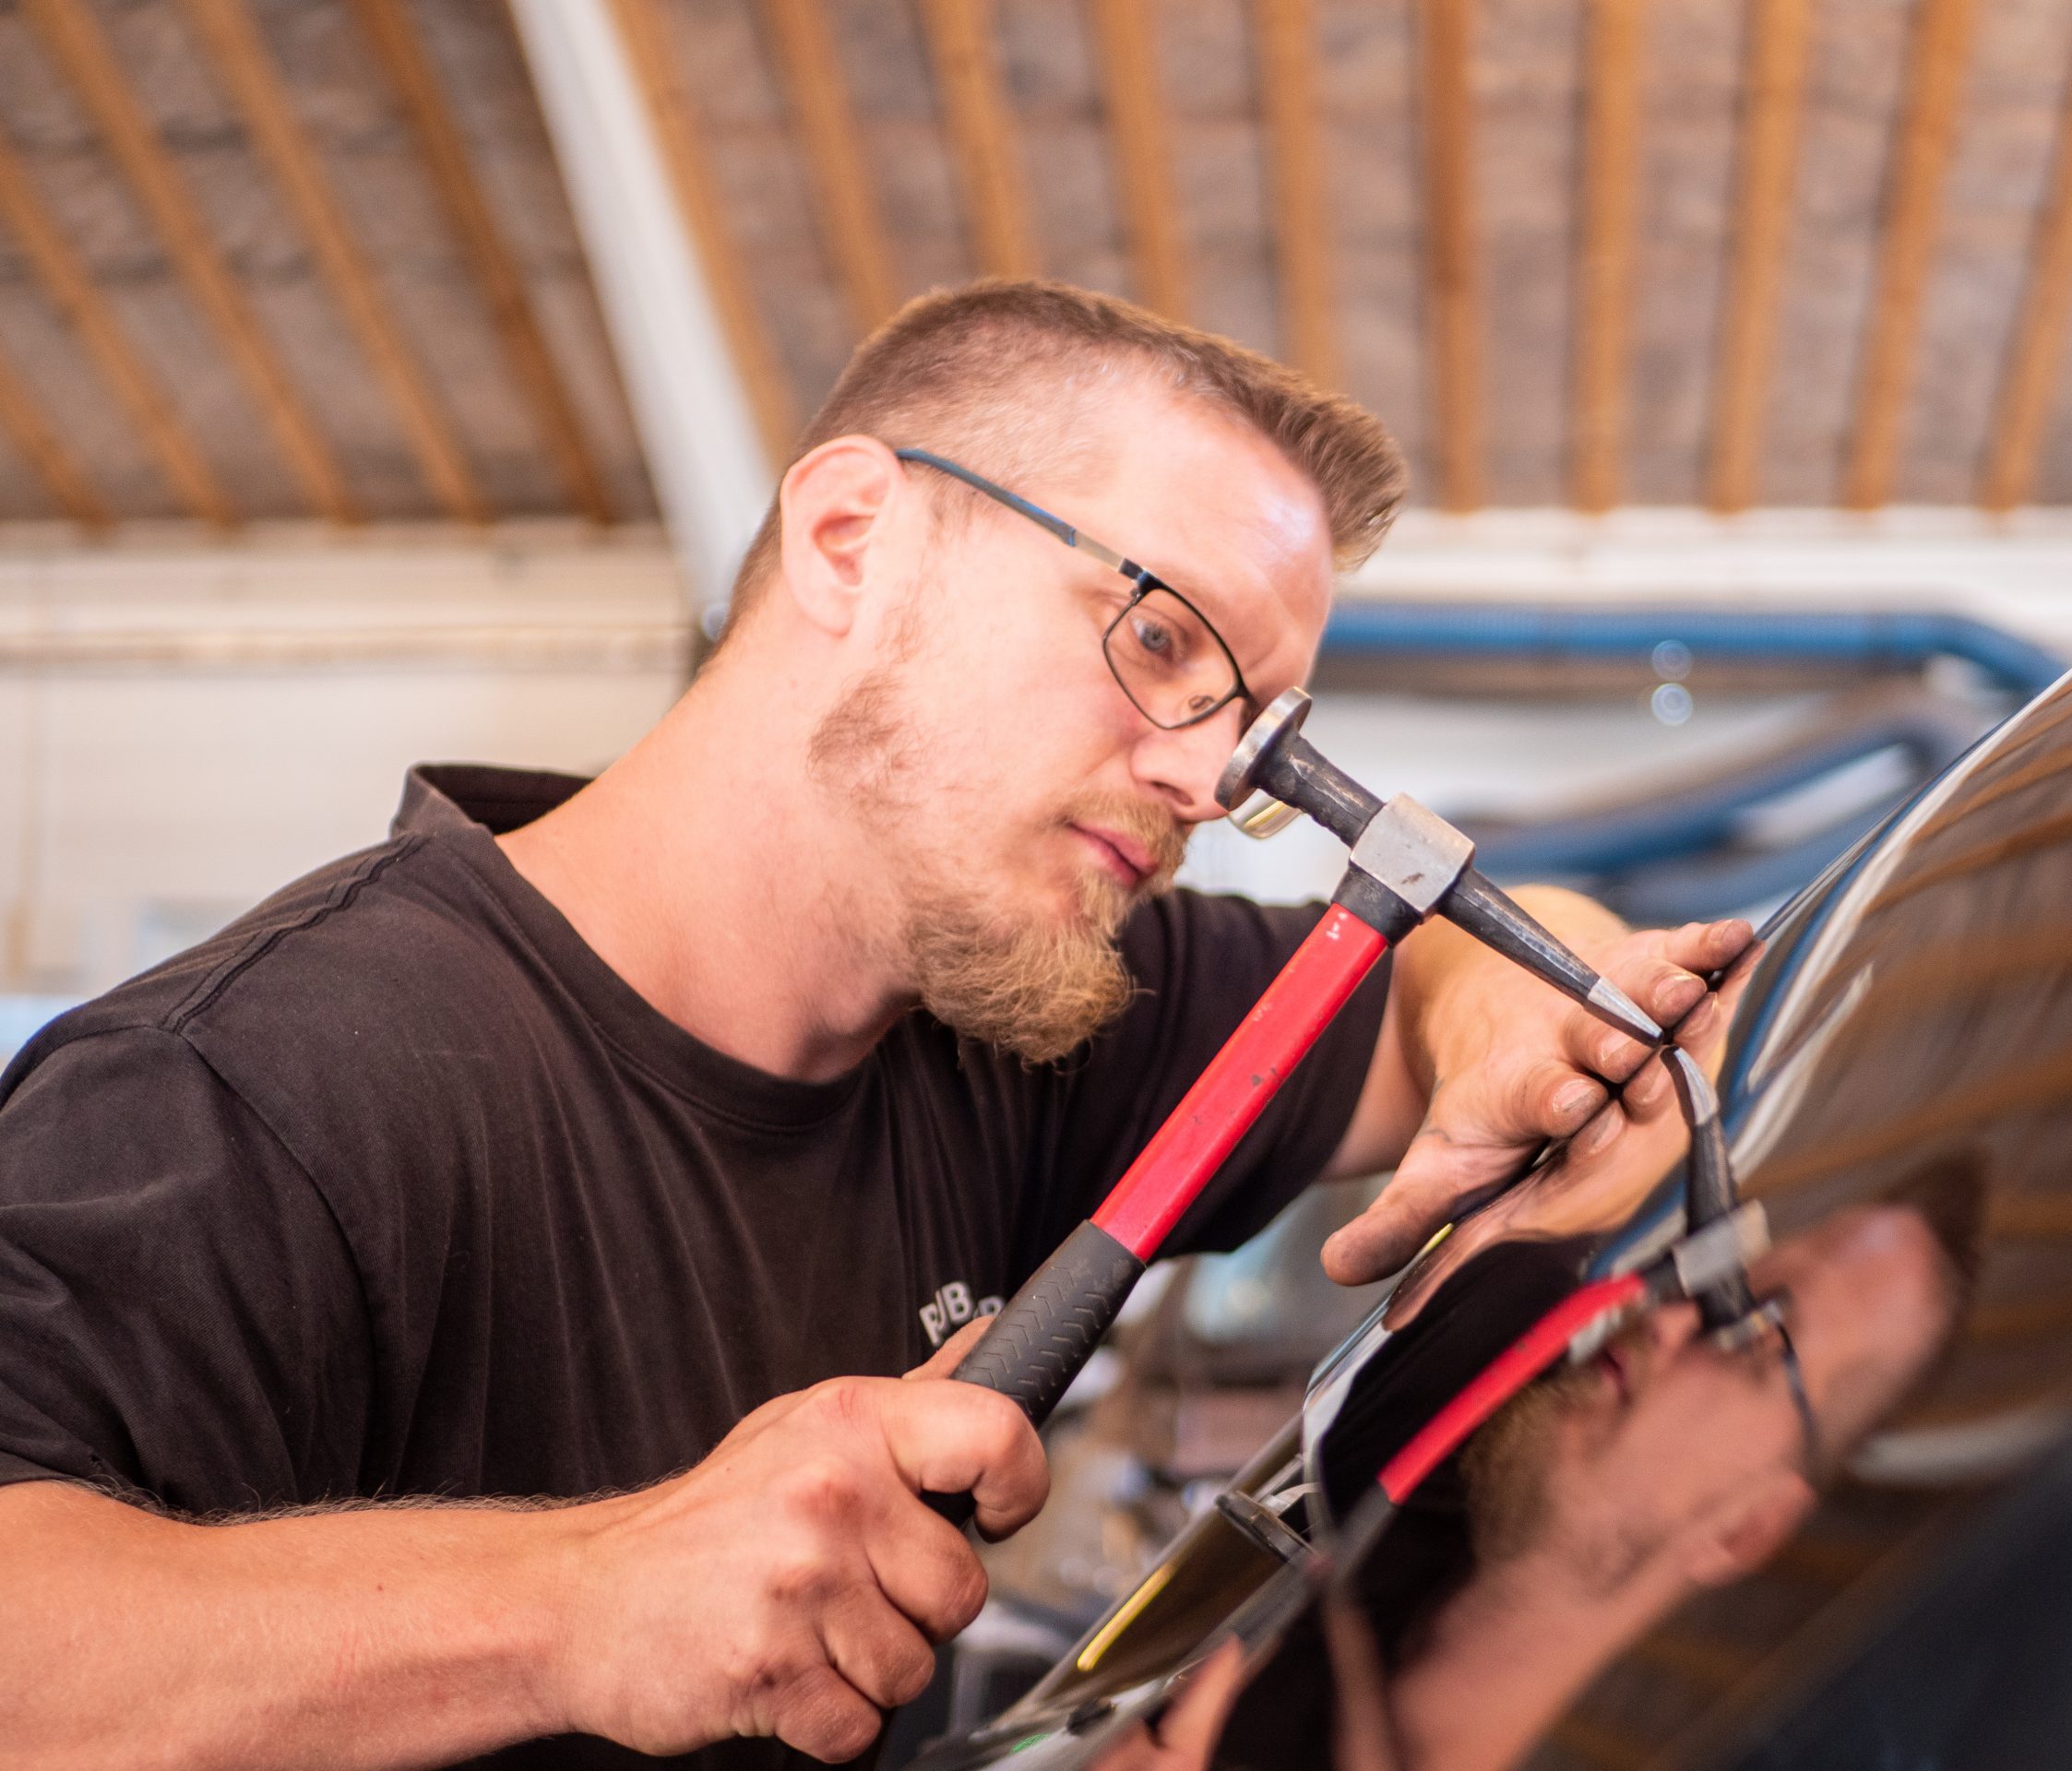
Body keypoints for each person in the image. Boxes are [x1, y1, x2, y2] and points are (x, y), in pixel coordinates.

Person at [0, 280, 1753, 1771]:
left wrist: (1513, 1009)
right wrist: (582, 1600)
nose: (1204, 781)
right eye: (1160, 641)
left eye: (1250, 731)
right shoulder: (267, 1081)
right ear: (853, 537)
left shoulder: (1012, 1018)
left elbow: (1452, 974)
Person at [1090, 1199, 1972, 1771]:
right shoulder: (1369, 1494)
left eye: (1765, 1330)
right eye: (1720, 1277)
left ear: (1750, 1529)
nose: (1665, 1318)